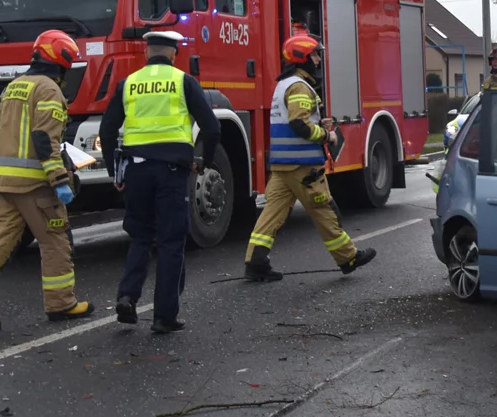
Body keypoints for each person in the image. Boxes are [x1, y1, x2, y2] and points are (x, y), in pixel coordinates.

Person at [0, 30, 93, 332]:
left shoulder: (14, 87)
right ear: (62, 62)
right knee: (55, 242)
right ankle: (62, 303)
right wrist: (60, 180)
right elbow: (44, 139)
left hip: (1, 183)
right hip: (36, 186)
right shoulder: (49, 90)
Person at [99, 30, 221, 334]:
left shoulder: (128, 83)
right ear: (173, 54)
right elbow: (212, 126)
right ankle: (164, 316)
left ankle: (127, 296)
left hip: (136, 171)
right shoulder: (183, 81)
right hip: (171, 172)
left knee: (140, 235)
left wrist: (116, 171)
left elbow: (107, 128)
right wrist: (202, 159)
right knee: (170, 240)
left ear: (146, 53)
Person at [243, 34, 377, 281]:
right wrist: (327, 135)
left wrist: (317, 121)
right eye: (314, 55)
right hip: (303, 166)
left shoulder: (284, 84)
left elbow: (296, 118)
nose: (317, 60)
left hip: (284, 166)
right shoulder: (299, 86)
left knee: (271, 214)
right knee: (324, 209)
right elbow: (298, 122)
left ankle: (256, 262)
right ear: (302, 58)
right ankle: (348, 257)